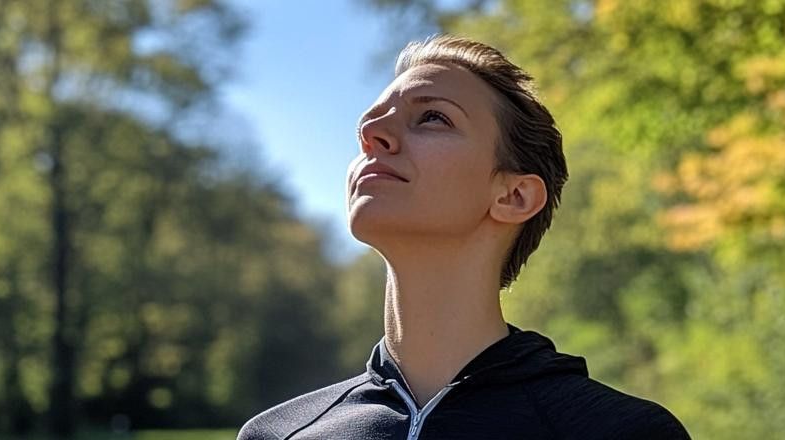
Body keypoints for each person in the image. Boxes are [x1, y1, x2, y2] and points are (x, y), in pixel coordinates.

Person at [236, 35, 690, 440]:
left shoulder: (620, 432)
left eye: (433, 118)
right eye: (369, 126)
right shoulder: (276, 434)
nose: (372, 135)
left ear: (513, 195)